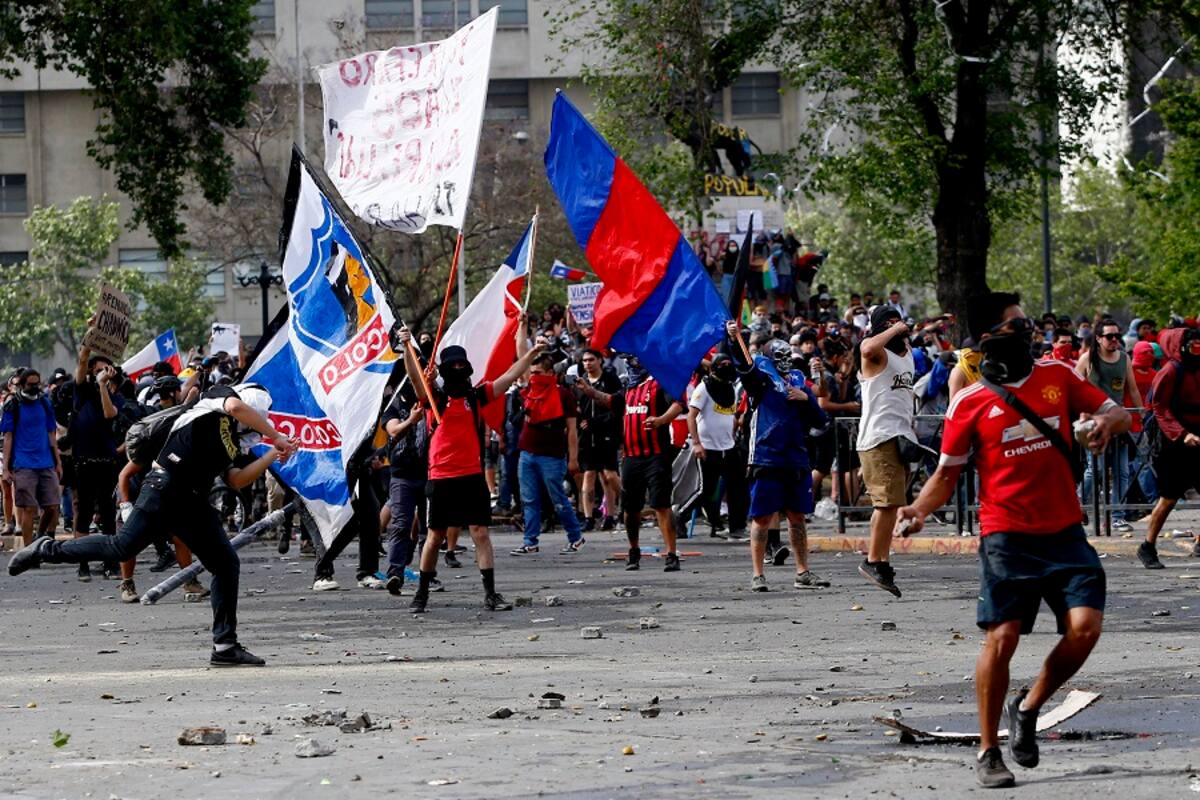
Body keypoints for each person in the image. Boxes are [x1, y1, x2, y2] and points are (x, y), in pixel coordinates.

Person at [896, 291, 1130, 788]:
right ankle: (988, 750)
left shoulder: (1060, 376)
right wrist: (916, 510)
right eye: (1016, 326)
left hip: (1065, 531)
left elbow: (1120, 412)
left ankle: (1027, 707)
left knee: (1085, 628)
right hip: (1006, 537)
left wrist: (1108, 421)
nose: (1029, 333)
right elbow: (945, 475)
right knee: (1001, 638)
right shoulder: (970, 402)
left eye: (1027, 325)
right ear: (987, 340)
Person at [9, 383, 299, 666]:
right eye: (263, 414)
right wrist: (276, 437)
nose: (264, 419)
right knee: (121, 548)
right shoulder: (216, 400)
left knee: (225, 564)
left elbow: (236, 479)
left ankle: (224, 645)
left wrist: (275, 453)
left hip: (193, 500)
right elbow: (236, 406)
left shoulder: (234, 439)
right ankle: (46, 549)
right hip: (165, 486)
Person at [397, 325, 542, 614]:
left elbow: (510, 376)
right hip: (440, 476)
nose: (458, 369)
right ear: (444, 369)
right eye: (453, 365)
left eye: (462, 364)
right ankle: (422, 594)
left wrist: (532, 354)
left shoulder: (477, 396)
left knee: (480, 533)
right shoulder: (434, 397)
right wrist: (406, 350)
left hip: (472, 476)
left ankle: (490, 594)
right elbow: (415, 379)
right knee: (435, 535)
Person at [727, 325, 829, 592]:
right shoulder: (760, 380)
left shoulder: (798, 379)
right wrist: (735, 338)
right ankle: (758, 574)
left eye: (787, 355)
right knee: (762, 517)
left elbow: (821, 419)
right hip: (766, 456)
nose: (784, 360)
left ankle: (802, 572)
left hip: (796, 457)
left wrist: (805, 397)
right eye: (778, 356)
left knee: (798, 516)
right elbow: (744, 367)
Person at [590, 355, 685, 571]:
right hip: (631, 457)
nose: (633, 364)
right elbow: (611, 401)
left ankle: (671, 554)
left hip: (656, 455)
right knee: (630, 509)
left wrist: (661, 420)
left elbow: (679, 405)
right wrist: (587, 389)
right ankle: (634, 551)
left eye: (636, 360)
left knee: (661, 505)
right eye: (630, 360)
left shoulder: (660, 382)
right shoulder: (629, 388)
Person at [855, 305, 917, 597]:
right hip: (880, 438)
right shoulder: (875, 354)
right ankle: (874, 561)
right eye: (889, 323)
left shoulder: (906, 356)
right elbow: (866, 347)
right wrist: (894, 328)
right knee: (887, 504)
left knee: (889, 504)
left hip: (901, 437)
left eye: (899, 321)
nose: (898, 327)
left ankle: (877, 556)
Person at [1137, 326, 1200, 568]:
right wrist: (1182, 434)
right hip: (1173, 442)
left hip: (1196, 437)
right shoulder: (1170, 370)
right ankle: (1147, 546)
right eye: (1193, 345)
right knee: (1169, 498)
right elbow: (1160, 408)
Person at [510, 351, 584, 555]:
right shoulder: (529, 391)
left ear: (550, 372)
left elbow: (572, 430)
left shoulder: (564, 396)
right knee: (529, 500)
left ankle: (575, 536)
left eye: (539, 372)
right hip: (527, 452)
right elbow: (520, 354)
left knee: (558, 499)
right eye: (532, 372)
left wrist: (573, 458)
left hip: (552, 455)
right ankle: (530, 541)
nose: (534, 376)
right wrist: (523, 328)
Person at [1075, 319, 1142, 532]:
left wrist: (1141, 414)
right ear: (1098, 338)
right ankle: (1077, 501)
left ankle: (1117, 516)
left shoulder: (1124, 358)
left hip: (1119, 422)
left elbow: (1132, 389)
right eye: (1109, 336)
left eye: (1117, 335)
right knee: (1095, 470)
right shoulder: (1087, 359)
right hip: (1093, 423)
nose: (1114, 340)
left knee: (1122, 471)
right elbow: (1073, 388)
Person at [70, 338, 125, 581]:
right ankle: (82, 563)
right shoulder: (81, 389)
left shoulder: (115, 395)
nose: (102, 371)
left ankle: (110, 563)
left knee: (107, 513)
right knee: (83, 513)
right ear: (92, 371)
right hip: (84, 461)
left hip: (107, 462)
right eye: (98, 368)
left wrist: (104, 386)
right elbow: (82, 358)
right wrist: (91, 334)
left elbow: (109, 413)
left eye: (106, 368)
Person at [682, 353, 747, 540]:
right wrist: (696, 443)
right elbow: (691, 416)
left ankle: (736, 527)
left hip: (728, 446)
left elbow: (731, 415)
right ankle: (680, 516)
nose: (727, 366)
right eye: (722, 364)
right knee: (706, 489)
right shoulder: (703, 388)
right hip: (707, 447)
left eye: (729, 363)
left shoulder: (731, 389)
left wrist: (734, 429)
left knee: (737, 489)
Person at [0, 369, 62, 546]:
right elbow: (8, 437)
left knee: (52, 506)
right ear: (21, 385)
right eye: (31, 384)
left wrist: (57, 462)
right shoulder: (13, 406)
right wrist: (6, 469)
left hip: (46, 462)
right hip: (23, 464)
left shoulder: (44, 403)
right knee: (29, 509)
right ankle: (28, 552)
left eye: (37, 384)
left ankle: (40, 534)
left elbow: (51, 433)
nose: (35, 388)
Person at [573, 348, 622, 532]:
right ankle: (588, 516)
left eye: (591, 360)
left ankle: (617, 510)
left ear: (600, 360)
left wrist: (597, 422)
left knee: (609, 475)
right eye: (584, 361)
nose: (588, 363)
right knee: (589, 474)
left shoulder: (610, 379)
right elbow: (576, 409)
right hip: (587, 436)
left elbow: (616, 408)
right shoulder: (579, 383)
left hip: (606, 433)